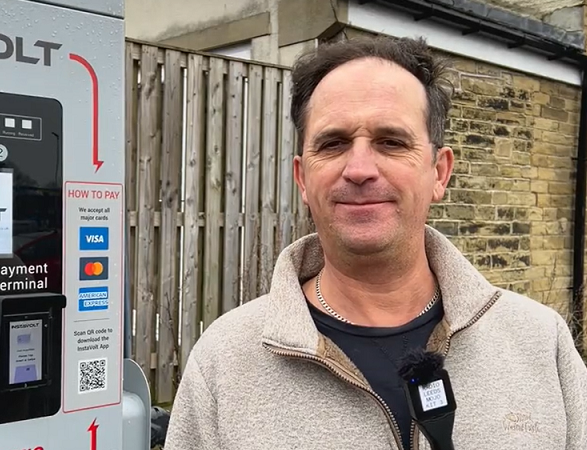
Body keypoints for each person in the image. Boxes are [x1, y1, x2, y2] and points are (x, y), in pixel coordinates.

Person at [165, 36, 587, 450]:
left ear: (439, 172)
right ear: (302, 179)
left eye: (391, 141)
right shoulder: (225, 362)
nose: (360, 169)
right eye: (333, 144)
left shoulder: (538, 342)